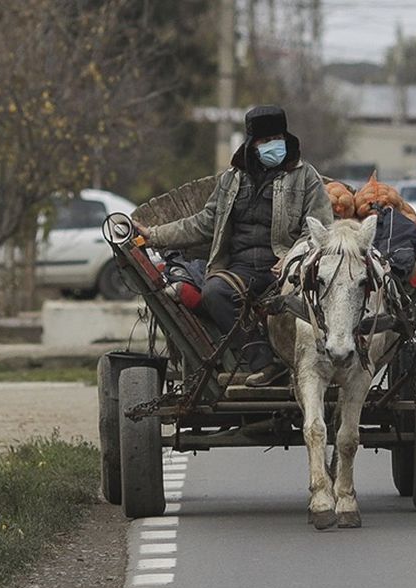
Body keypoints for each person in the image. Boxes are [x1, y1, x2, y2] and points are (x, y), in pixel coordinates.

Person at [136, 105, 332, 386]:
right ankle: (264, 362)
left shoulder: (305, 177)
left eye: (277, 138)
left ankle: (310, 365)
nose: (272, 146)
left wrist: (291, 257)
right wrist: (153, 235)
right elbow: (203, 223)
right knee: (214, 293)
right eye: (265, 141)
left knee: (300, 303)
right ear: (252, 144)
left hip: (287, 271)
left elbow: (318, 227)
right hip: (239, 269)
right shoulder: (231, 180)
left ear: (286, 139)